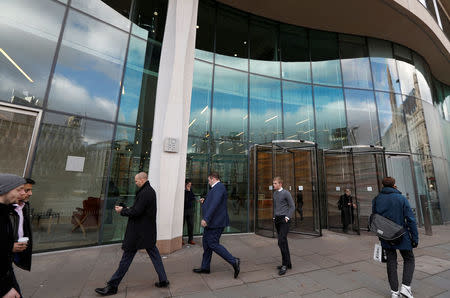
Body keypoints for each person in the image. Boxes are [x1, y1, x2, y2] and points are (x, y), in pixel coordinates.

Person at [95, 172, 169, 296]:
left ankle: (112, 286)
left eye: (136, 181)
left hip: (138, 233)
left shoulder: (145, 193)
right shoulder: (149, 191)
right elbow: (140, 209)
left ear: (143, 179)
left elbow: (137, 212)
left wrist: (122, 211)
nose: (135, 183)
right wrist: (127, 208)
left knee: (126, 259)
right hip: (146, 232)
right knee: (155, 256)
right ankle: (163, 280)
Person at [372, 177, 418, 298]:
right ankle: (406, 287)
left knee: (391, 262)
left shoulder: (377, 199)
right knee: (409, 259)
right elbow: (411, 220)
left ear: (382, 185)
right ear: (394, 185)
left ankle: (394, 292)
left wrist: (380, 235)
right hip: (402, 235)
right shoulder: (401, 198)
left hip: (386, 236)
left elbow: (375, 219)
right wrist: (415, 238)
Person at [193, 172, 240, 278]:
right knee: (206, 244)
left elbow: (215, 204)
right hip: (212, 223)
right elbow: (213, 202)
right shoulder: (216, 188)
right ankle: (205, 267)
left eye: (209, 180)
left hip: (216, 223)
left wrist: (206, 218)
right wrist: (205, 201)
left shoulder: (219, 187)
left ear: (213, 178)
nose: (208, 182)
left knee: (213, 243)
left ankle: (234, 261)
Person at [0, 173, 26, 298]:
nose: (23, 193)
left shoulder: (6, 211)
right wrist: (4, 288)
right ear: (4, 189)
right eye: (19, 189)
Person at [10, 178, 35, 276]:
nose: (30, 193)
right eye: (27, 190)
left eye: (30, 190)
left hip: (18, 248)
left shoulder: (25, 206)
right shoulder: (6, 208)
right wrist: (9, 247)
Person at [272, 177, 295, 275]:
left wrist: (287, 217)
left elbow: (292, 206)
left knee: (281, 241)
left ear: (280, 184)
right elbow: (276, 206)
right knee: (283, 242)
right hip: (277, 219)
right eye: (273, 183)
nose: (274, 185)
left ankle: (284, 265)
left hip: (284, 220)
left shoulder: (286, 193)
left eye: (275, 183)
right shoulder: (275, 194)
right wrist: (274, 216)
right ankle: (288, 263)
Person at [183, 179, 196, 245]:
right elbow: (185, 199)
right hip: (183, 210)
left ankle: (190, 239)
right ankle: (181, 239)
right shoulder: (183, 191)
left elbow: (193, 198)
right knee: (182, 225)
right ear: (185, 184)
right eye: (188, 185)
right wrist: (187, 191)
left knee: (191, 225)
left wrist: (189, 190)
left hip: (190, 210)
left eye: (190, 185)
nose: (189, 186)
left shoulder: (191, 190)